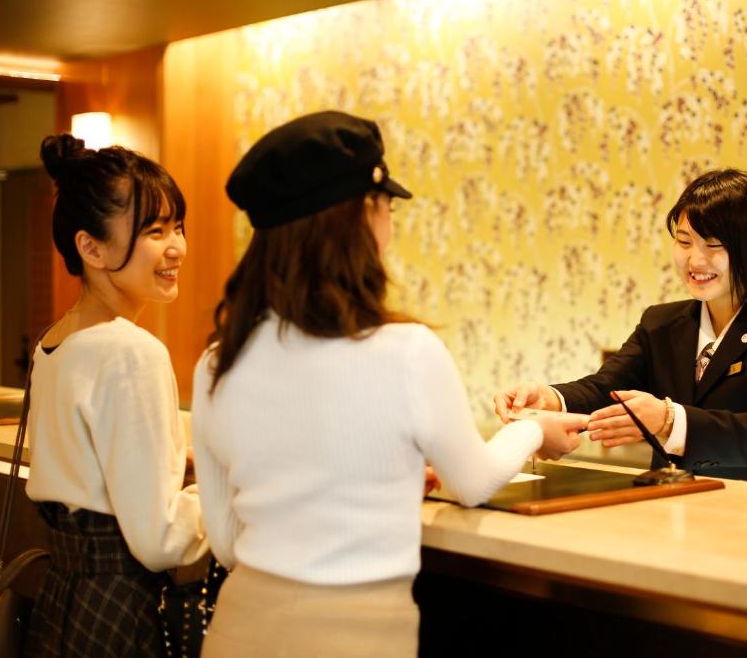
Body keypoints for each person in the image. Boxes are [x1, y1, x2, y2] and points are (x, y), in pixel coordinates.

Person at [189, 111, 582, 658]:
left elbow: (229, 543)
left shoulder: (216, 363)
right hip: (353, 636)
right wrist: (534, 430)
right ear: (362, 216)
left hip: (239, 628)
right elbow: (473, 482)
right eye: (387, 207)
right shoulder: (406, 351)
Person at [494, 169, 747, 486]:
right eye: (684, 242)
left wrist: (669, 419)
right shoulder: (661, 322)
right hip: (669, 504)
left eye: (713, 245)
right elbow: (605, 388)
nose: (695, 261)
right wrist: (550, 397)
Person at [24, 135, 208, 657]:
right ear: (91, 248)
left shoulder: (54, 342)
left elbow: (92, 469)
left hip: (66, 598)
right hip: (120, 608)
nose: (177, 247)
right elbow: (160, 540)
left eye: (178, 226)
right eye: (154, 230)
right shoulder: (131, 351)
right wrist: (227, 488)